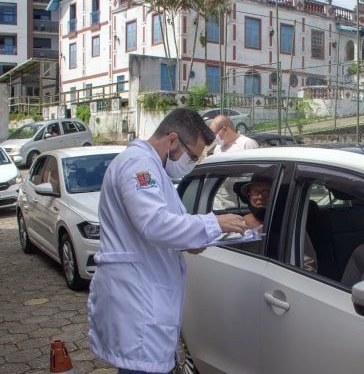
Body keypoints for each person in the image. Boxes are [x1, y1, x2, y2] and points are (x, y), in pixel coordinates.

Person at [88, 108, 246, 374]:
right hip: (137, 300)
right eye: (193, 156)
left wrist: (190, 239)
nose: (192, 163)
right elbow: (153, 223)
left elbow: (165, 226)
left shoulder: (153, 170)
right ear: (172, 140)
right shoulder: (139, 166)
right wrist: (213, 222)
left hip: (143, 295)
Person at [209, 115, 259, 209]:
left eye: (214, 134)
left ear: (224, 129)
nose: (214, 138)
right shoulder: (218, 148)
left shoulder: (247, 144)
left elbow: (254, 176)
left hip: (238, 207)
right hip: (218, 207)